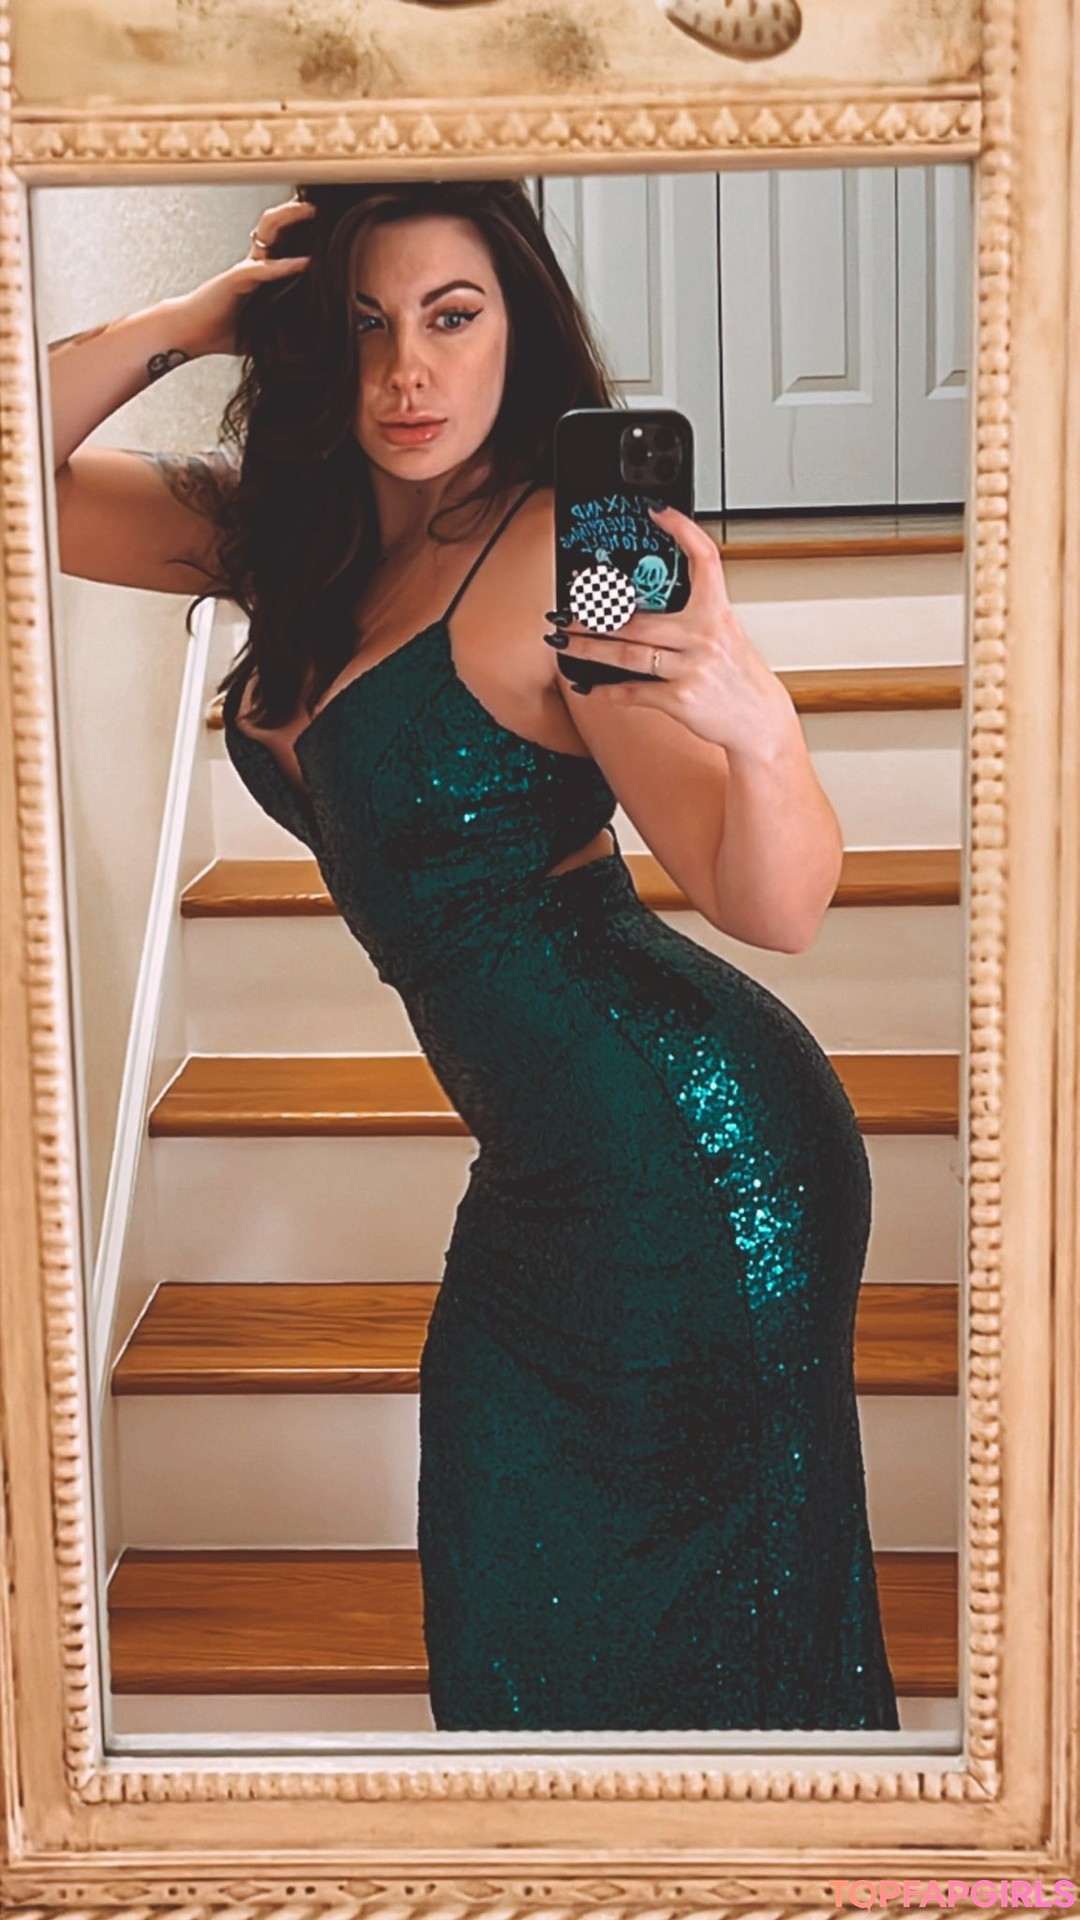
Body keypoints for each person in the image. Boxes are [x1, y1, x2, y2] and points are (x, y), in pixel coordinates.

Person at [50, 178, 900, 1734]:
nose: (406, 373)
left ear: (521, 326)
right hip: (539, 1179)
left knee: (721, 1643)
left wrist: (762, 731)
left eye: (452, 317)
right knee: (511, 1601)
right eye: (365, 324)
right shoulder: (282, 541)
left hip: (701, 1156)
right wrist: (198, 317)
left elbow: (764, 899)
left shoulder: (569, 551)